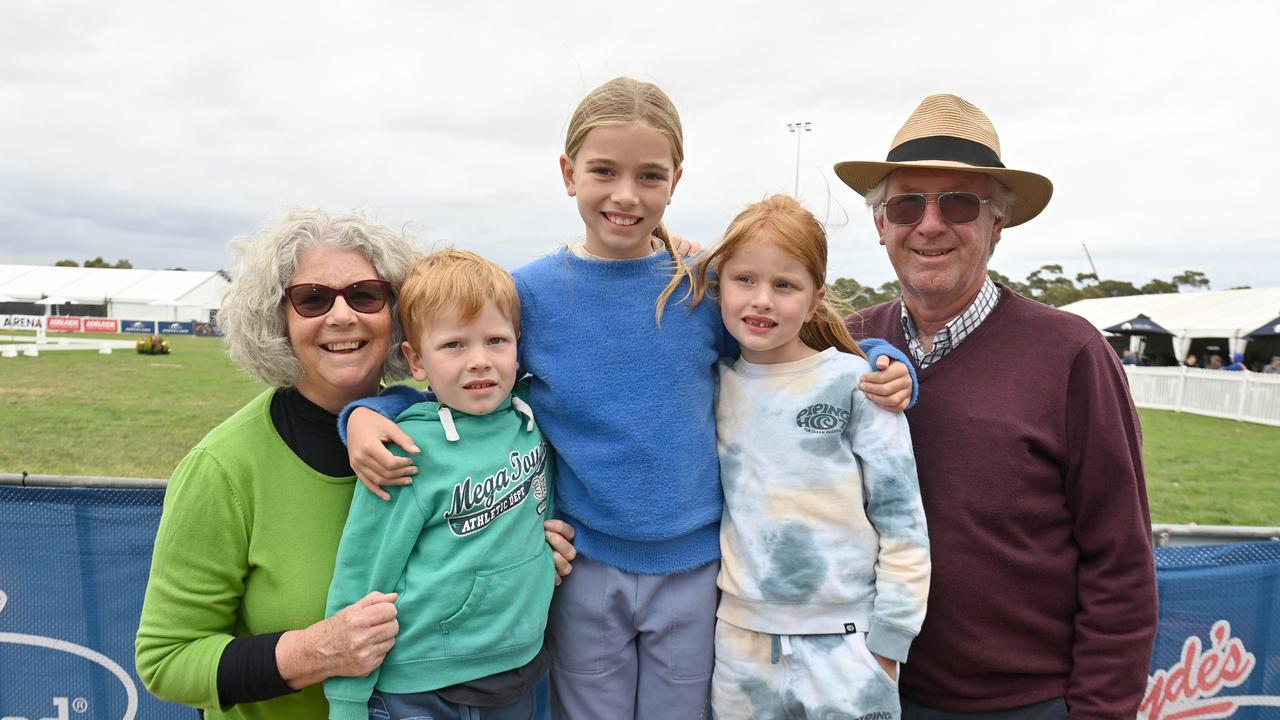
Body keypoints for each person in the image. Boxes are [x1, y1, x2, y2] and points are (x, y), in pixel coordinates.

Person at [341, 77, 916, 720]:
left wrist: (879, 361)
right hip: (583, 566)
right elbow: (458, 375)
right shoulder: (527, 294)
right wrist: (368, 412)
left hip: (698, 570)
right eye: (603, 171)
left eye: (649, 176)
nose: (625, 194)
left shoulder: (701, 288)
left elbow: (792, 345)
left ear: (675, 180)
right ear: (568, 173)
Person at [134, 211, 576, 719]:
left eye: (365, 294)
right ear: (277, 318)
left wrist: (524, 551)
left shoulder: (450, 427)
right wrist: (311, 652)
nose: (342, 316)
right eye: (313, 298)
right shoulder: (223, 466)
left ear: (397, 314)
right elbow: (166, 660)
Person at [835, 95, 1157, 719]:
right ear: (881, 225)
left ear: (996, 225)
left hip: (1026, 704)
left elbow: (1119, 561)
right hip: (866, 692)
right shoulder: (841, 348)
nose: (929, 224)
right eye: (907, 203)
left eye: (958, 203)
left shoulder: (1071, 353)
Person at [692, 195, 929, 719]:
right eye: (744, 280)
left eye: (784, 285)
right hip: (740, 647)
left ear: (816, 296)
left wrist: (889, 642)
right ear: (718, 284)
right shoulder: (709, 388)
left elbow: (902, 521)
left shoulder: (858, 383)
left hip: (848, 644)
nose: (762, 301)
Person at [324, 250, 554, 720]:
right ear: (416, 359)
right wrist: (347, 699)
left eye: (496, 340)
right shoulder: (404, 449)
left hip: (520, 664)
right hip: (422, 685)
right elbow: (363, 572)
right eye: (453, 345)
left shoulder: (534, 416)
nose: (479, 362)